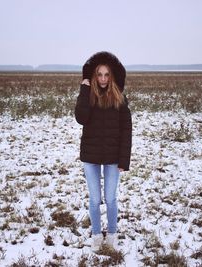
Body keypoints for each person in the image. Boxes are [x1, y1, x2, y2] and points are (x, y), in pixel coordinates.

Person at [75, 51, 132, 252]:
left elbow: (127, 130)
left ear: (112, 76)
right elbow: (81, 118)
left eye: (106, 75)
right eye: (99, 74)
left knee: (111, 198)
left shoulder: (120, 99)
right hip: (90, 156)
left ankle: (113, 234)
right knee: (94, 198)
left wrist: (124, 160)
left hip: (113, 158)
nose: (103, 79)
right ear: (93, 76)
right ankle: (97, 234)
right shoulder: (87, 96)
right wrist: (84, 89)